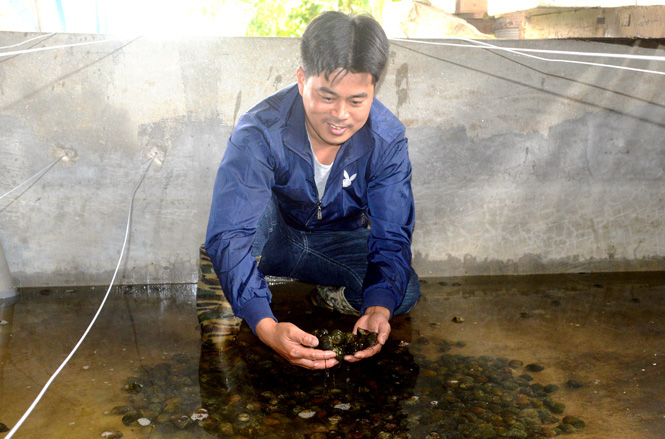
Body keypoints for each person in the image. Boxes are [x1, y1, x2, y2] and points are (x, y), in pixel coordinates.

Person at [203, 10, 421, 370]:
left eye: (356, 101)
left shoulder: (387, 139)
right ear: (302, 79)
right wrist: (266, 325)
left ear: (373, 91)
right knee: (236, 242)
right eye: (327, 96)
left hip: (330, 243)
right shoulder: (259, 131)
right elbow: (231, 233)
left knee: (402, 293)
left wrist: (379, 307)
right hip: (272, 239)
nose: (340, 115)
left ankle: (327, 296)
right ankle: (233, 298)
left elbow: (393, 237)